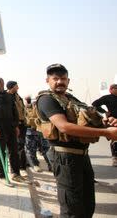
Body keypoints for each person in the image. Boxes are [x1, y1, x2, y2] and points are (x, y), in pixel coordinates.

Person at [36, 64, 117, 218]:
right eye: (55, 78)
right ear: (48, 80)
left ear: (68, 80)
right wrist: (106, 132)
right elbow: (64, 127)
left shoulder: (71, 99)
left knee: (87, 205)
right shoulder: (46, 99)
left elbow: (88, 119)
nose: (60, 81)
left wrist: (107, 122)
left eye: (63, 78)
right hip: (65, 158)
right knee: (72, 208)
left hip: (81, 156)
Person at [0, 77, 26, 183]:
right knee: (1, 153)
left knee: (14, 151)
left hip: (11, 128)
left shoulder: (9, 96)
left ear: (2, 83)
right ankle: (2, 175)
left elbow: (15, 112)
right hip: (0, 129)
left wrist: (16, 126)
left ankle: (15, 173)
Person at [24, 95, 51, 172]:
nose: (28, 100)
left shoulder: (39, 107)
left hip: (41, 130)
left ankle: (50, 165)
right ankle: (35, 164)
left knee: (45, 149)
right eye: (27, 99)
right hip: (30, 131)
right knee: (31, 149)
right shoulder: (25, 108)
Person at [92, 83, 117, 167]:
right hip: (112, 121)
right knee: (115, 140)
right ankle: (115, 158)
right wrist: (104, 112)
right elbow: (95, 104)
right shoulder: (107, 98)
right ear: (111, 90)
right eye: (115, 88)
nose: (116, 89)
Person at [6, 81, 28, 170]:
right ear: (11, 87)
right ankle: (18, 165)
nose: (18, 87)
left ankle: (23, 163)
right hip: (15, 125)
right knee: (17, 145)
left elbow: (22, 109)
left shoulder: (17, 96)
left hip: (22, 123)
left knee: (21, 144)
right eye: (16, 86)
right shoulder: (6, 97)